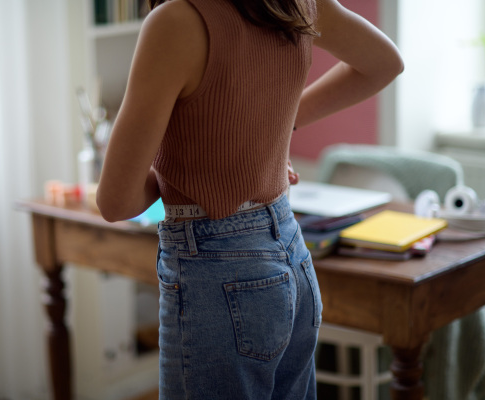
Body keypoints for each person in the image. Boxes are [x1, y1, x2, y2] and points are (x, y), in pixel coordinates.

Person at [97, 0, 403, 398]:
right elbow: (384, 63)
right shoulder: (297, 2)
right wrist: (270, 132)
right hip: (291, 254)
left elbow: (115, 201)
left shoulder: (175, 21)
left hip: (216, 270)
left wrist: (185, 166)